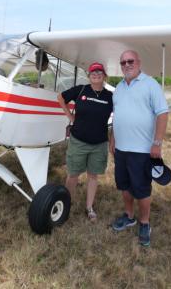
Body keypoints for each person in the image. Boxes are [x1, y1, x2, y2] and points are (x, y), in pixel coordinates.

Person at [109, 50, 169, 247]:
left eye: (130, 61)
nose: (126, 65)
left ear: (138, 62)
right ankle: (129, 216)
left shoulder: (150, 84)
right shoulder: (118, 88)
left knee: (142, 189)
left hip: (142, 150)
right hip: (121, 150)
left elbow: (162, 114)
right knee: (125, 186)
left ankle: (144, 222)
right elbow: (117, 116)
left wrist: (157, 142)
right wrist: (112, 139)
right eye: (123, 62)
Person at [57, 62, 113, 222]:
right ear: (89, 76)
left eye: (99, 72)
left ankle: (89, 207)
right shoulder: (81, 90)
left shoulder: (110, 96)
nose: (96, 74)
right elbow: (60, 97)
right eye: (93, 72)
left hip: (99, 143)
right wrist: (70, 116)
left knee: (93, 175)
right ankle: (65, 204)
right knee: (73, 174)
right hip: (78, 141)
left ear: (104, 76)